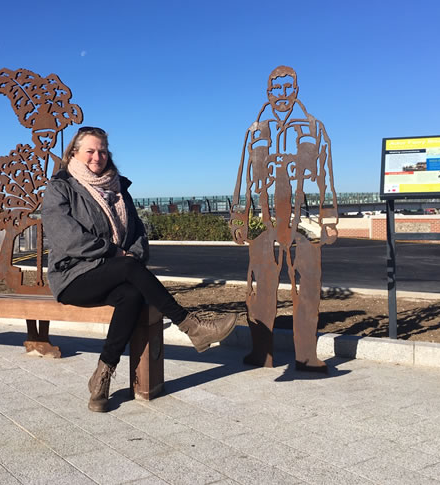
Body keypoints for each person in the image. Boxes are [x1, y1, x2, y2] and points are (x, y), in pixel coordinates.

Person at [41, 127, 237, 412]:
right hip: (73, 275)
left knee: (131, 296)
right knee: (129, 268)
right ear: (74, 153)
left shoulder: (119, 188)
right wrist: (114, 253)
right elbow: (66, 237)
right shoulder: (61, 187)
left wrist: (131, 253)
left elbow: (137, 234)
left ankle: (101, 377)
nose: (98, 157)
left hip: (115, 271)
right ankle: (191, 325)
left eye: (103, 151)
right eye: (91, 151)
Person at [230, 66, 338, 370]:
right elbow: (243, 178)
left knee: (308, 286)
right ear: (268, 94)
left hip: (303, 224)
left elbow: (325, 178)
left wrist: (327, 220)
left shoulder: (313, 127)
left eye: (288, 88)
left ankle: (306, 354)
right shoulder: (255, 130)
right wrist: (240, 219)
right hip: (265, 223)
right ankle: (261, 352)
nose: (282, 96)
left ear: (296, 90)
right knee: (261, 286)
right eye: (276, 90)